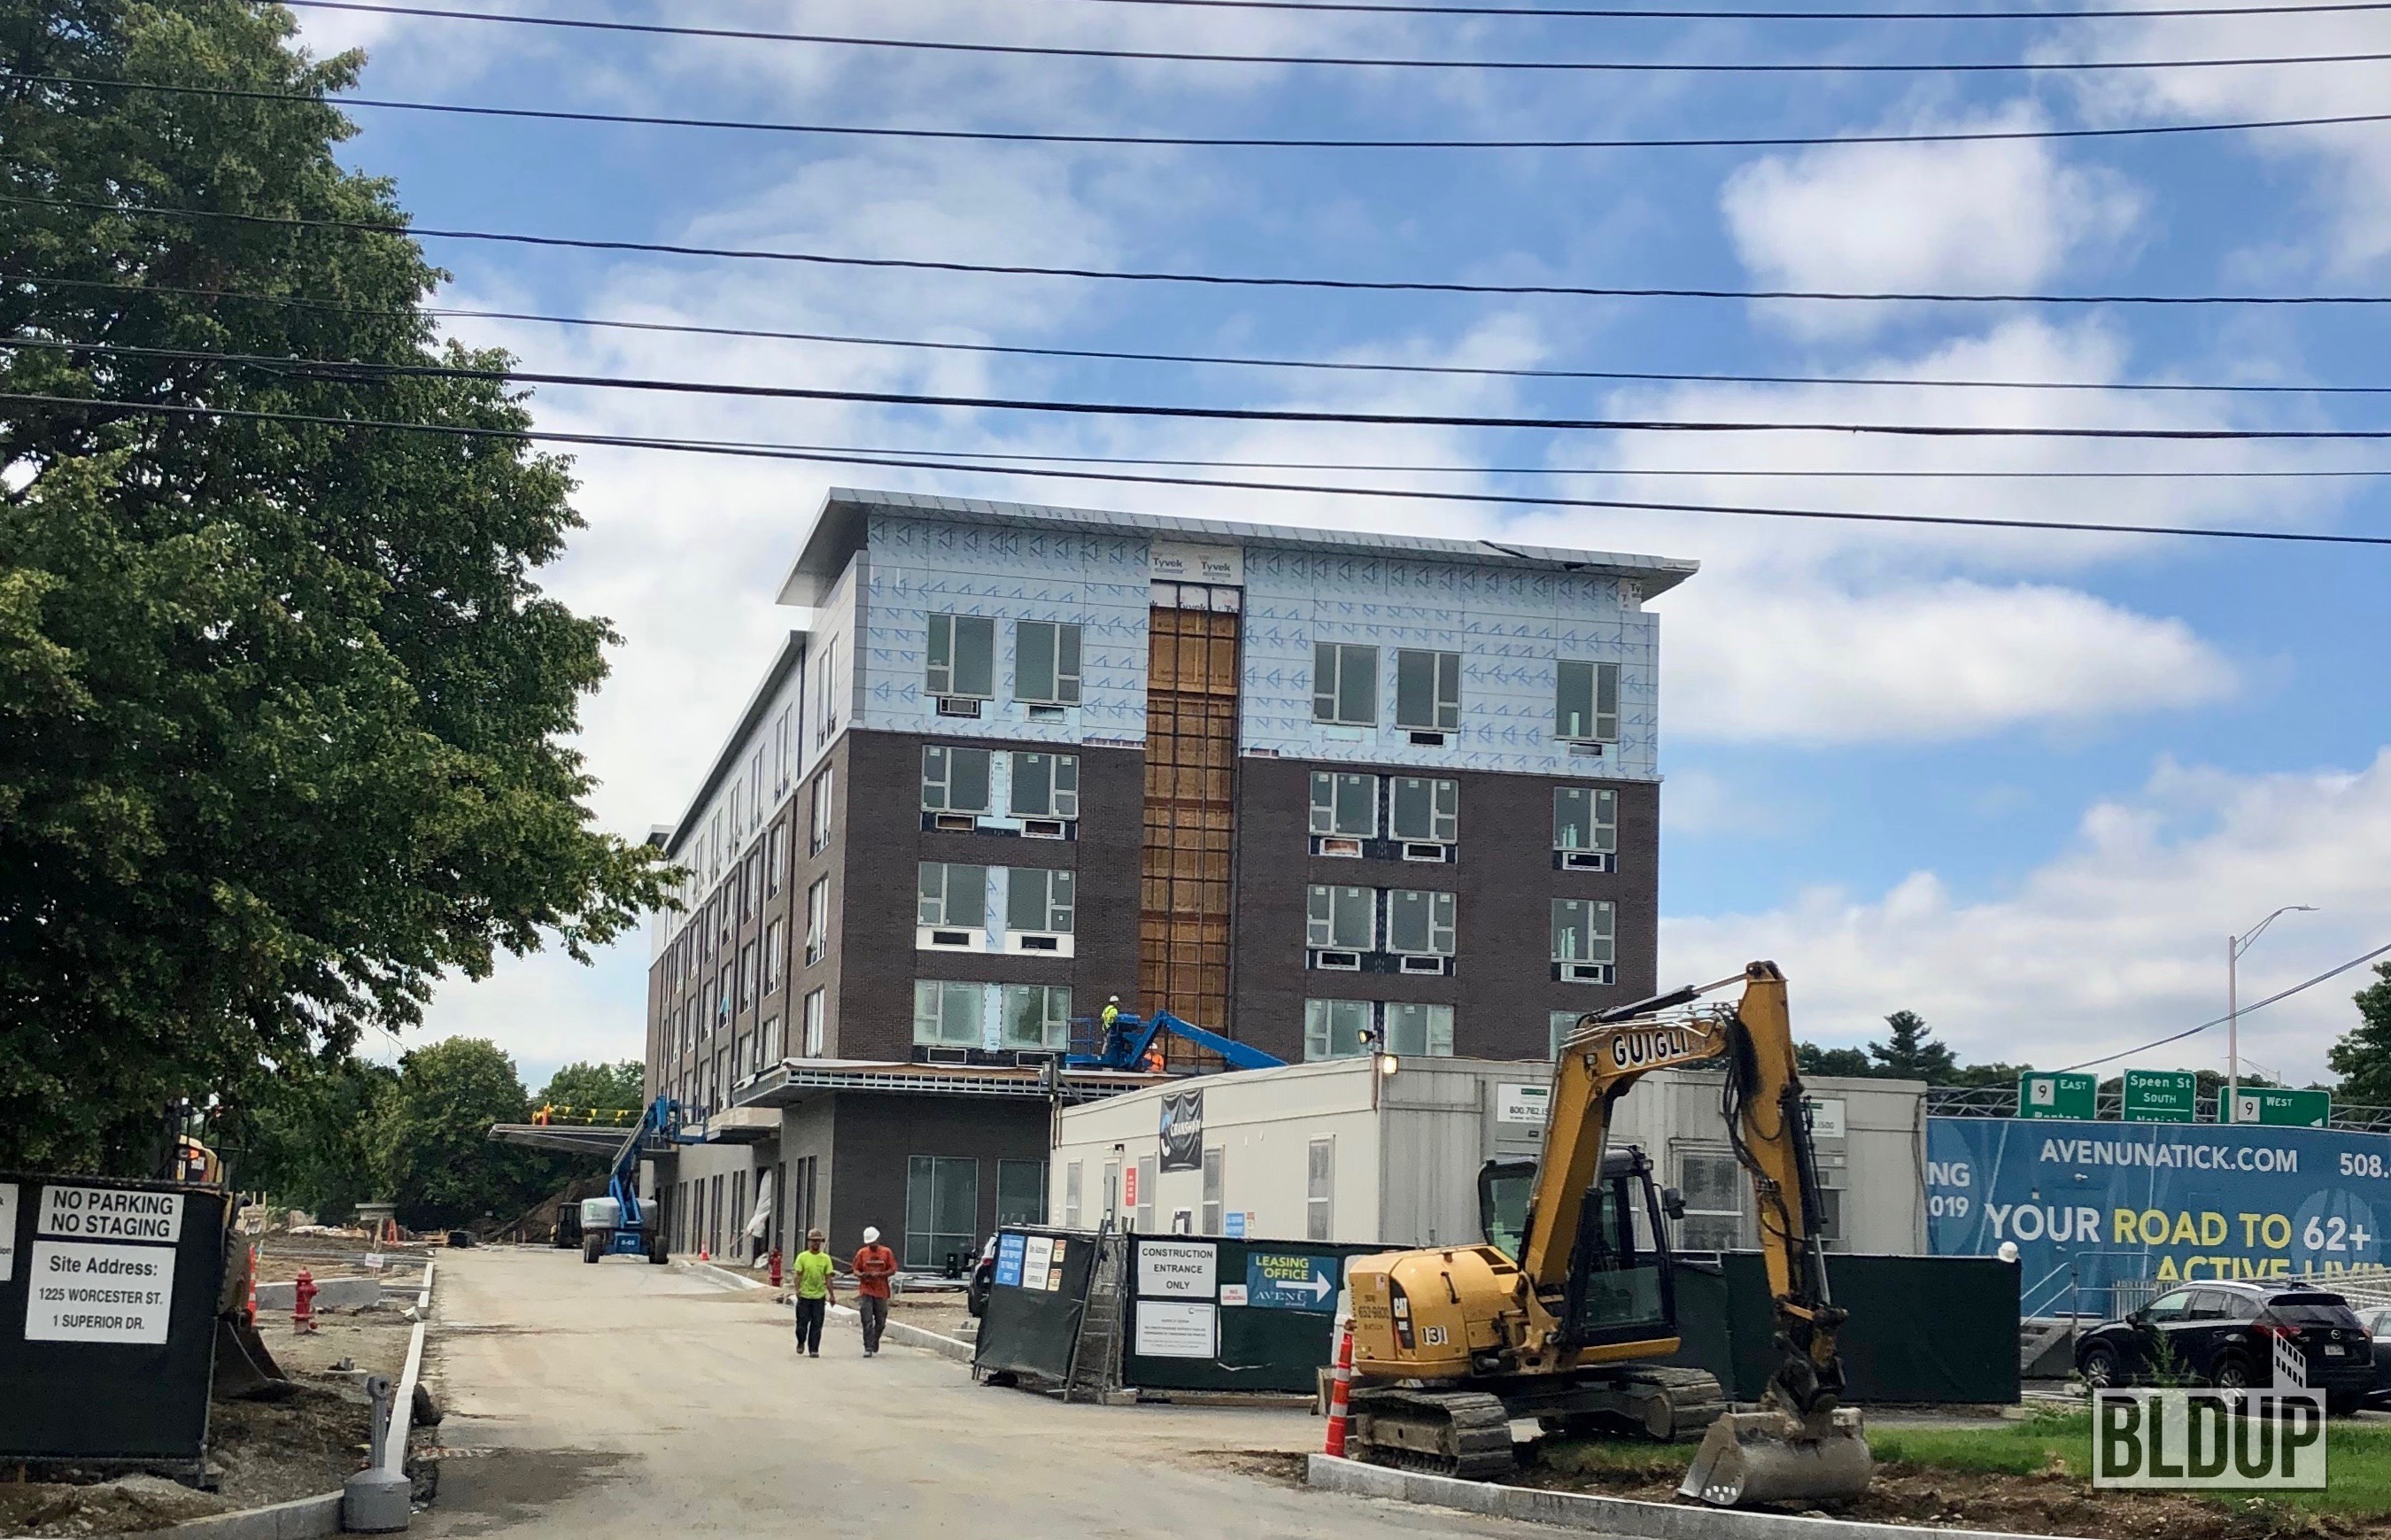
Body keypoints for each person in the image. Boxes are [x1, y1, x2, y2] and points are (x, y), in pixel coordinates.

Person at [853, 1226, 899, 1357]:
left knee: (881, 1321)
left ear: (877, 1239)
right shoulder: (862, 1253)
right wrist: (862, 1275)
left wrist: (880, 1274)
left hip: (881, 1291)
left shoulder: (886, 1252)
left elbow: (893, 1269)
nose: (872, 1245)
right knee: (867, 1320)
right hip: (866, 1291)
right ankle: (868, 1347)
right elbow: (855, 1269)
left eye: (873, 1242)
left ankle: (874, 1340)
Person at [791, 1227, 834, 1357]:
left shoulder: (825, 1259)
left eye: (818, 1241)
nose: (815, 1243)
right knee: (801, 1324)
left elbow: (828, 1278)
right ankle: (801, 1341)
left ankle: (814, 1349)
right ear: (809, 1242)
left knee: (817, 1324)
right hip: (804, 1296)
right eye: (813, 1240)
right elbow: (798, 1276)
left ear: (821, 1242)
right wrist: (797, 1290)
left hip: (819, 1297)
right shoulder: (802, 1257)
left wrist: (832, 1295)